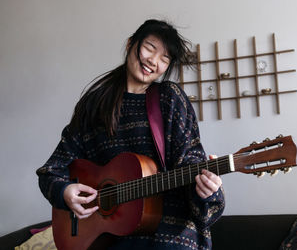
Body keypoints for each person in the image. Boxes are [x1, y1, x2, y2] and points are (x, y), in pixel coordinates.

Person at [36, 19, 225, 249]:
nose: (153, 61)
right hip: (109, 241)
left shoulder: (170, 99)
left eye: (165, 58)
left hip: (171, 239)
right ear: (130, 44)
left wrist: (206, 190)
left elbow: (191, 160)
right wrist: (64, 191)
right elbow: (52, 169)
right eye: (149, 48)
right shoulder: (95, 105)